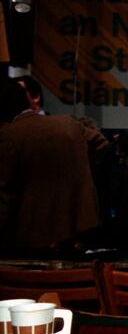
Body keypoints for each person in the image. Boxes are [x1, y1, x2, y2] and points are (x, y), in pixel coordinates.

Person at [0, 78, 108, 251]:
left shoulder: (8, 136)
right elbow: (101, 144)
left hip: (34, 233)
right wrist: (82, 177)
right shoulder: (68, 123)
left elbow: (5, 191)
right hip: (79, 225)